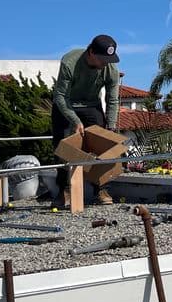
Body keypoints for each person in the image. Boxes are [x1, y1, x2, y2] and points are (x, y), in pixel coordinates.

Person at [51, 35, 121, 205]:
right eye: (102, 59)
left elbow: (112, 100)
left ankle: (101, 189)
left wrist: (110, 127)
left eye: (109, 59)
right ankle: (64, 191)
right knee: (62, 147)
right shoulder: (70, 62)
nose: (106, 63)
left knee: (101, 145)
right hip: (66, 104)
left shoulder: (110, 69)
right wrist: (75, 121)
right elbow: (60, 96)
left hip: (92, 105)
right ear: (91, 52)